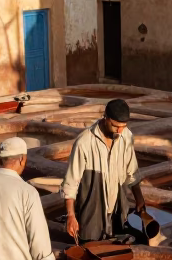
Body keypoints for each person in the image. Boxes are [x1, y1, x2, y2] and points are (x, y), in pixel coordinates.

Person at [61, 99, 146, 242]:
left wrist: (139, 199)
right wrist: (70, 216)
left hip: (117, 207)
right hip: (92, 208)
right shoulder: (84, 142)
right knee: (92, 248)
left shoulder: (126, 136)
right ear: (105, 117)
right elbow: (71, 182)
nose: (119, 130)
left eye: (123, 126)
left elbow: (132, 171)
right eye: (115, 126)